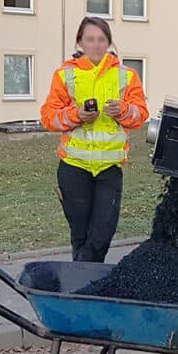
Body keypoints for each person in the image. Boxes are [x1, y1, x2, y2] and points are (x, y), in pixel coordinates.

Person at [41, 17, 148, 262]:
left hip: (109, 169)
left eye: (101, 39)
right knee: (80, 234)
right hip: (73, 167)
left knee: (102, 232)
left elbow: (140, 116)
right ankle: (85, 286)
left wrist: (121, 110)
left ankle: (79, 278)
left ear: (109, 42)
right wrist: (76, 115)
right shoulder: (65, 75)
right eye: (90, 39)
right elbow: (49, 118)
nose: (96, 44)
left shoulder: (127, 76)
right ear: (80, 41)